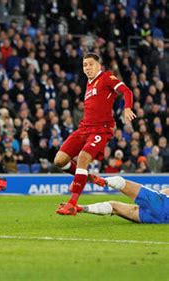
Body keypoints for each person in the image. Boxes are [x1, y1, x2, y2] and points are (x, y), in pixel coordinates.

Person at [54, 53, 136, 215]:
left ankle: (72, 204)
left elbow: (126, 91)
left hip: (100, 129)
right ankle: (89, 177)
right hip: (84, 128)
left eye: (90, 64)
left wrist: (127, 107)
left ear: (99, 65)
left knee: (83, 158)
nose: (87, 68)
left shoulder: (106, 77)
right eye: (85, 65)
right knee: (59, 160)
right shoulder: (89, 84)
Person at [77, 176, 169, 224]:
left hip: (163, 205)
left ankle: (103, 181)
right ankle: (81, 208)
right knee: (113, 207)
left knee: (122, 183)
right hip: (160, 220)